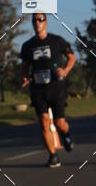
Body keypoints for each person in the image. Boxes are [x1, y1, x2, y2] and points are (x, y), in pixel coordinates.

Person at [21, 13, 76, 168]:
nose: (37, 22)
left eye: (40, 19)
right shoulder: (28, 45)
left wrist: (65, 71)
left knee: (60, 123)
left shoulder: (57, 41)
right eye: (34, 20)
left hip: (56, 88)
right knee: (44, 122)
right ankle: (53, 156)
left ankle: (66, 135)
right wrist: (25, 77)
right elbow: (24, 66)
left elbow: (72, 58)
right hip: (38, 89)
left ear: (46, 21)